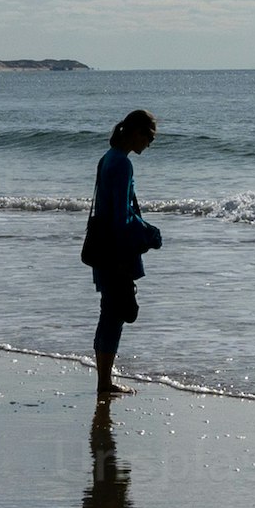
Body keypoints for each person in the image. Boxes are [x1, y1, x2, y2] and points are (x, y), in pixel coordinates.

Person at [78, 105, 162, 375]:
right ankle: (104, 382)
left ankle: (104, 379)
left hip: (103, 246)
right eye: (149, 138)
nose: (149, 145)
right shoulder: (122, 164)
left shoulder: (108, 158)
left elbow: (114, 212)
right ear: (137, 133)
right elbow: (121, 218)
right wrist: (150, 234)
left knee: (109, 313)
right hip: (116, 252)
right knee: (115, 315)